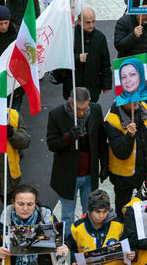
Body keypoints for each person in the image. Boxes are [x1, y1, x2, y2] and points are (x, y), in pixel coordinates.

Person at [46, 87, 109, 237]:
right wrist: (68, 137)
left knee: (89, 211)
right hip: (68, 175)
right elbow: (52, 144)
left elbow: (101, 140)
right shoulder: (56, 114)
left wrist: (105, 165)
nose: (81, 113)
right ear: (70, 102)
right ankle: (68, 240)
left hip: (89, 173)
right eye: (78, 109)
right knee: (67, 214)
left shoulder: (95, 110)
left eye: (85, 108)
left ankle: (87, 238)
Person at [0, 184, 69, 265]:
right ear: (13, 203)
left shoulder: (47, 217)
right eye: (21, 204)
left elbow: (64, 240)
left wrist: (64, 247)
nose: (25, 208)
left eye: (30, 204)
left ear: (35, 203)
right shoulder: (3, 221)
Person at [104, 99, 147, 220]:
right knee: (122, 207)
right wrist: (129, 137)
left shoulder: (144, 107)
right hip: (125, 176)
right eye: (130, 99)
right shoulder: (112, 120)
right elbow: (120, 152)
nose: (136, 101)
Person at [67, 189, 135, 265]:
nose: (102, 215)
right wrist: (73, 263)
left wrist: (132, 253)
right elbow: (72, 248)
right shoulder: (76, 228)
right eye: (98, 211)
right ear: (90, 210)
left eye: (105, 211)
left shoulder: (119, 226)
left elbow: (130, 244)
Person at [53, 8, 112, 103]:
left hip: (92, 88)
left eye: (93, 21)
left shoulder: (100, 37)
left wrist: (106, 84)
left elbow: (105, 62)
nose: (91, 25)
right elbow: (60, 61)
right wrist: (77, 59)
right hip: (72, 87)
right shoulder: (69, 36)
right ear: (78, 21)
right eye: (88, 22)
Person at [114, 0, 147, 93]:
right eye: (146, 13)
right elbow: (119, 46)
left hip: (146, 71)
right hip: (127, 71)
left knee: (142, 103)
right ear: (137, 10)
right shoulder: (123, 22)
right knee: (126, 103)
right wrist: (133, 36)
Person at [0, 108, 29, 235]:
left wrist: (13, 134)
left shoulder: (13, 114)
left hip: (10, 177)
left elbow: (25, 142)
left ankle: (14, 241)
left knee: (14, 213)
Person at [0, 6, 24, 111]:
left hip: (15, 86)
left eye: (6, 22)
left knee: (14, 117)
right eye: (0, 24)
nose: (4, 26)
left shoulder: (18, 33)